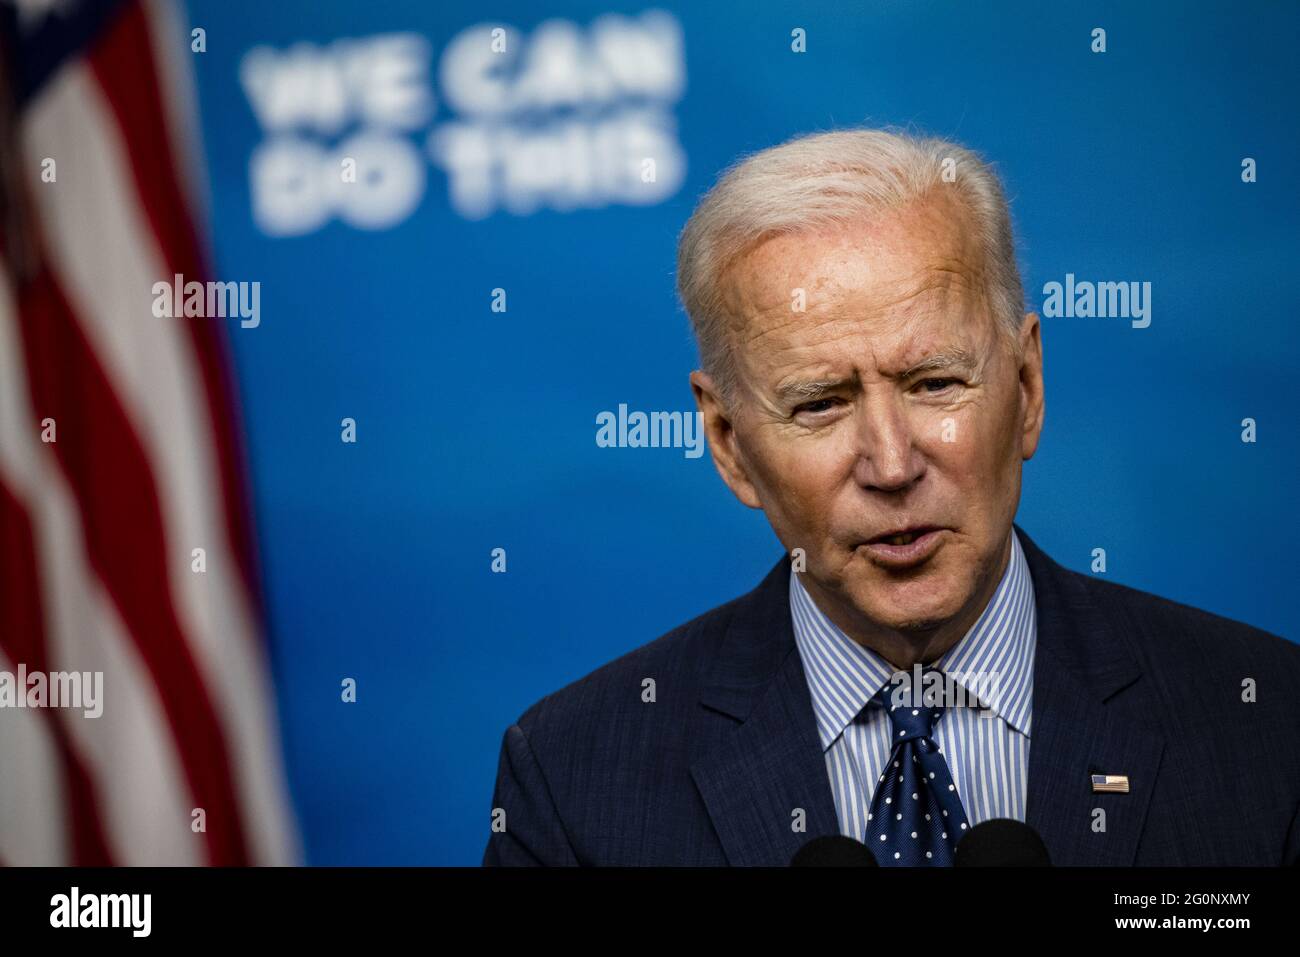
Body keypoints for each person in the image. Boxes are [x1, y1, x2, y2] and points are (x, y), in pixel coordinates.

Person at [483, 128, 1300, 866]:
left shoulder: (1267, 725)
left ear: (1027, 386)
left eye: (935, 382)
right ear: (729, 444)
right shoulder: (572, 784)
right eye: (820, 404)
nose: (891, 462)